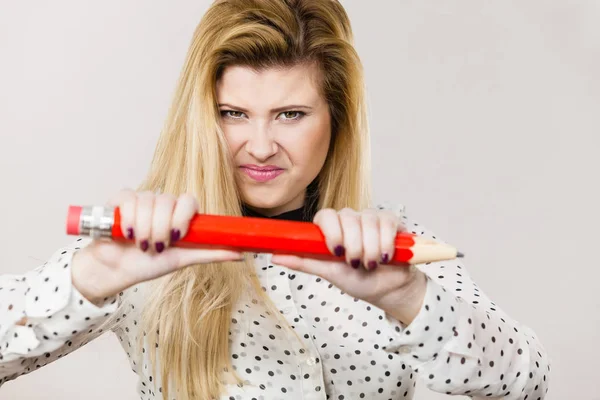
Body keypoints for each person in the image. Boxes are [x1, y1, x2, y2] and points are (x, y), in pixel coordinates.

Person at [0, 0, 550, 399]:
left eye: (291, 114)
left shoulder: (392, 249)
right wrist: (91, 275)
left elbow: (527, 383)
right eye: (233, 113)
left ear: (335, 122)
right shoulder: (142, 247)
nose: (260, 146)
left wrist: (407, 296)